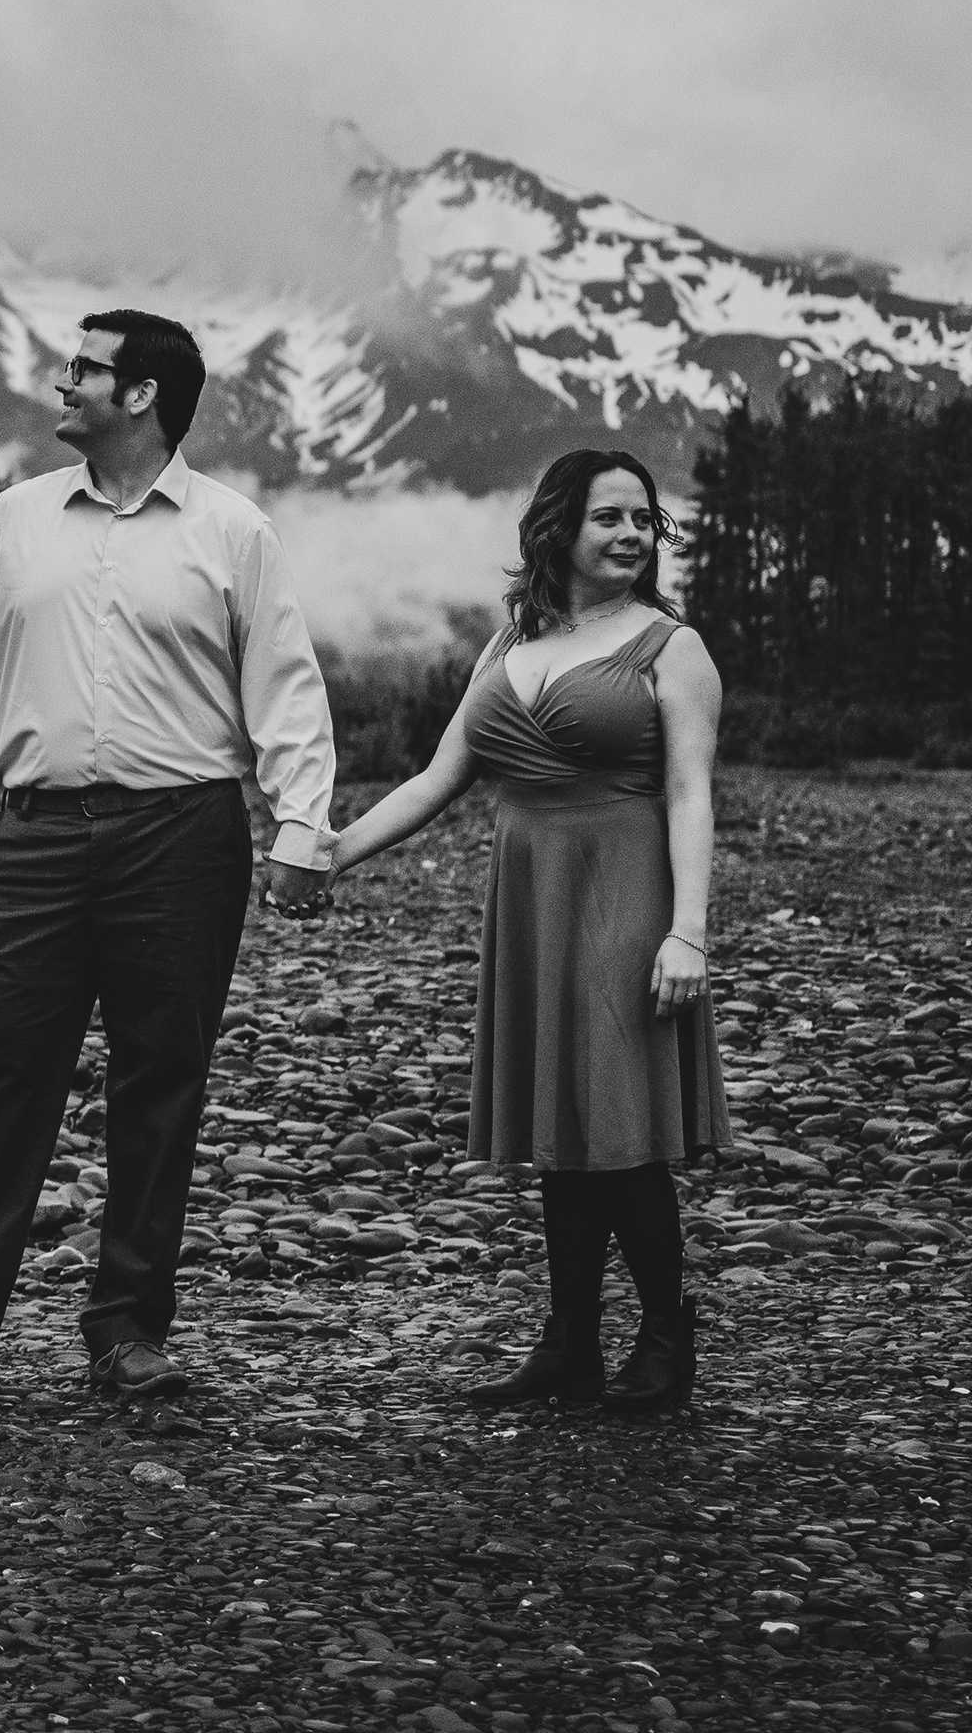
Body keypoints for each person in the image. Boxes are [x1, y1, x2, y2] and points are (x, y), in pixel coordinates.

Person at [0, 309, 340, 1403]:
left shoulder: (233, 531)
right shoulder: (15, 520)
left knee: (162, 1083)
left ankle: (129, 1329)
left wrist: (302, 825)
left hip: (184, 834)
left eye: (85, 368)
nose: (64, 381)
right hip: (32, 836)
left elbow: (285, 686)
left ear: (143, 394)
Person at [277, 446, 727, 1417]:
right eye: (609, 516)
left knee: (621, 1126)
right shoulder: (507, 643)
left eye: (643, 519)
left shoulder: (671, 648)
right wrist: (335, 852)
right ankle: (570, 1345)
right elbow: (439, 778)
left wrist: (688, 931)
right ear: (560, 527)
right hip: (534, 900)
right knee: (564, 1125)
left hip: (626, 890)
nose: (631, 534)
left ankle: (665, 1336)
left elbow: (692, 793)